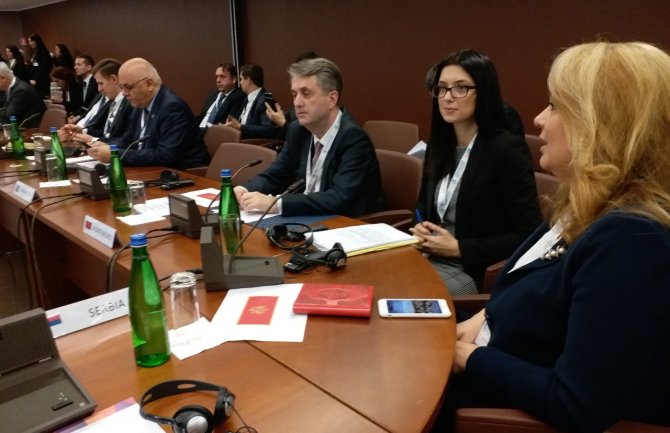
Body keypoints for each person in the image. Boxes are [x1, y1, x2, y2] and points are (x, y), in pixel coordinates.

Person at [442, 41, 670, 433]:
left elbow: (577, 402)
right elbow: (534, 299)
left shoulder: (631, 239)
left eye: (555, 106)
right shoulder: (580, 204)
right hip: (492, 359)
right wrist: (482, 318)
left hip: (492, 410)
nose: (538, 119)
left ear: (601, 122)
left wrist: (467, 357)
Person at [410, 49, 540, 295]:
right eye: (442, 88)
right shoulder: (439, 145)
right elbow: (422, 206)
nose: (448, 97)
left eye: (461, 88)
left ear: (484, 92)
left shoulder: (506, 150)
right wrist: (420, 227)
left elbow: (528, 233)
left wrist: (460, 248)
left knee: (400, 293)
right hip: (428, 255)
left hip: (471, 268)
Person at [234, 57, 384, 217]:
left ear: (331, 99)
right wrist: (244, 189)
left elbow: (339, 198)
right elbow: (275, 175)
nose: (297, 103)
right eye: (294, 94)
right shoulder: (297, 130)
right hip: (307, 216)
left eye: (306, 94)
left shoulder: (353, 138)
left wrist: (275, 204)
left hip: (347, 222)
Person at [87, 58, 209, 170]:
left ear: (149, 84)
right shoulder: (140, 103)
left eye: (128, 87)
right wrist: (106, 146)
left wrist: (115, 154)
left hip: (184, 174)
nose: (124, 93)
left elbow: (165, 155)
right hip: (151, 169)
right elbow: (128, 139)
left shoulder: (172, 107)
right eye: (121, 87)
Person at [58, 58, 132, 145]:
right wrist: (81, 131)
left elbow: (125, 141)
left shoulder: (130, 104)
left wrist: (93, 140)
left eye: (101, 83)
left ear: (113, 79)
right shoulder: (113, 102)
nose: (99, 89)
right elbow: (105, 133)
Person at [224, 64, 279, 139]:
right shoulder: (246, 98)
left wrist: (240, 127)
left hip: (253, 143)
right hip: (240, 139)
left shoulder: (265, 100)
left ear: (248, 81)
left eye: (241, 79)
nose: (240, 83)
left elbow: (269, 130)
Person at [196, 62, 246, 130]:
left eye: (222, 77)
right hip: (198, 130)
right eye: (217, 77)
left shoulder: (239, 97)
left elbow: (227, 122)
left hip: (213, 132)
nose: (218, 80)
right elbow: (202, 115)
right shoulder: (213, 94)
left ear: (234, 79)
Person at [0, 62, 46, 127]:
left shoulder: (21, 91)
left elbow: (9, 117)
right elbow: (4, 110)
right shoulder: (12, 87)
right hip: (19, 126)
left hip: (31, 129)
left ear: (3, 78)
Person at [27, 33, 53, 98]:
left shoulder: (43, 52)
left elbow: (44, 68)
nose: (29, 43)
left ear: (36, 41)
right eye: (29, 41)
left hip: (42, 82)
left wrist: (36, 79)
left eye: (31, 41)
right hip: (35, 81)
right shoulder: (34, 52)